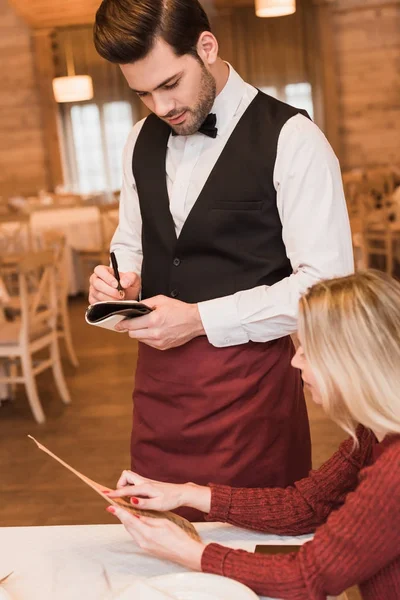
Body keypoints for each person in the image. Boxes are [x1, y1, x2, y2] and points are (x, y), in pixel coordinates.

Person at [90, 0, 353, 520]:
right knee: (162, 547)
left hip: (251, 396)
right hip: (159, 394)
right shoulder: (138, 141)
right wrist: (119, 281)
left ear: (206, 47)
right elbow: (132, 242)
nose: (160, 106)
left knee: (252, 558)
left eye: (170, 83)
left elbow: (327, 287)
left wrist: (198, 319)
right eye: (142, 92)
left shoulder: (293, 140)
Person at [105, 270, 400, 600]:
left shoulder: (393, 470)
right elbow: (306, 506)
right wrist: (185, 494)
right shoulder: (373, 434)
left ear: (354, 361)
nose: (295, 361)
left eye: (307, 349)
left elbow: (306, 577)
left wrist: (188, 552)